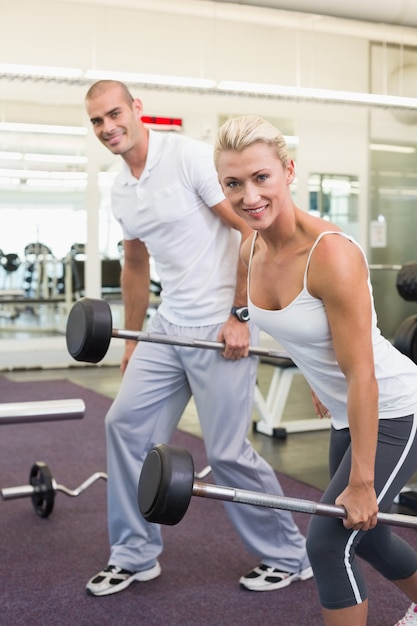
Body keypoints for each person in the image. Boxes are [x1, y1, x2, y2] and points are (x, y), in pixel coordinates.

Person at [83, 81, 312, 597]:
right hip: (167, 326)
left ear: (137, 109)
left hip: (218, 323)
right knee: (124, 425)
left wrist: (240, 313)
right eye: (96, 121)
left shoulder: (186, 158)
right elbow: (136, 264)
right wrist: (133, 338)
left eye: (114, 114)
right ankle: (135, 552)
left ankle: (291, 555)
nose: (108, 128)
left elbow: (253, 229)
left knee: (228, 452)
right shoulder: (121, 187)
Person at [213, 114, 417, 626]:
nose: (248, 196)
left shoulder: (331, 255)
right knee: (366, 537)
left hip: (393, 406)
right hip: (346, 409)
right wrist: (315, 376)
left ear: (288, 172)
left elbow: (364, 372)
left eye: (261, 177)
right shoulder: (251, 247)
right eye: (233, 183)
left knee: (328, 543)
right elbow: (301, 328)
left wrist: (364, 481)